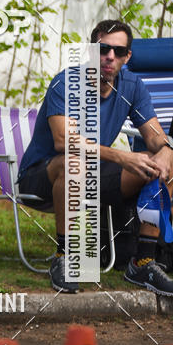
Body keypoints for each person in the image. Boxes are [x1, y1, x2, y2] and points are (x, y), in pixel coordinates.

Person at [18, 19, 173, 294]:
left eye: (118, 51)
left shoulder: (133, 86)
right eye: (103, 49)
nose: (109, 57)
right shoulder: (66, 82)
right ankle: (65, 256)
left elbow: (154, 135)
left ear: (127, 57)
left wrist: (165, 152)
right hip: (42, 176)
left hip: (93, 176)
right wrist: (123, 157)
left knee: (159, 164)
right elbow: (63, 141)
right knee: (75, 161)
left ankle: (143, 261)